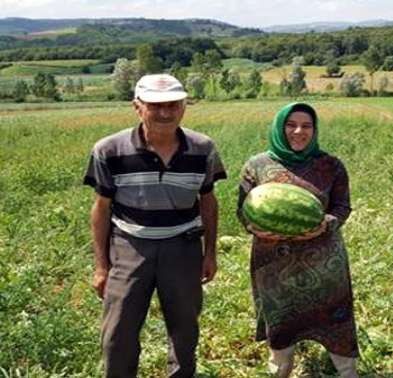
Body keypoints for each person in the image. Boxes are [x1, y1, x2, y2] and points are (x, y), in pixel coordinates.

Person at [84, 74, 226, 377]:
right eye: (155, 105)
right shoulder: (109, 150)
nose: (165, 112)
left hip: (183, 247)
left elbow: (209, 201)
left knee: (184, 329)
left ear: (184, 106)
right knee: (118, 333)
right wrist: (101, 266)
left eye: (173, 104)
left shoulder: (203, 148)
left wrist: (210, 252)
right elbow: (101, 208)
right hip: (129, 248)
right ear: (138, 107)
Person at [237, 102, 359, 378]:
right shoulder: (256, 166)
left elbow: (343, 207)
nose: (298, 131)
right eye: (290, 125)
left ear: (314, 130)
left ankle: (347, 372)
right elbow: (242, 210)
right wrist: (255, 228)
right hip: (274, 265)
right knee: (281, 327)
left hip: (325, 263)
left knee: (335, 324)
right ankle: (279, 371)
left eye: (306, 125)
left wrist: (324, 225)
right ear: (280, 128)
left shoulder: (331, 165)